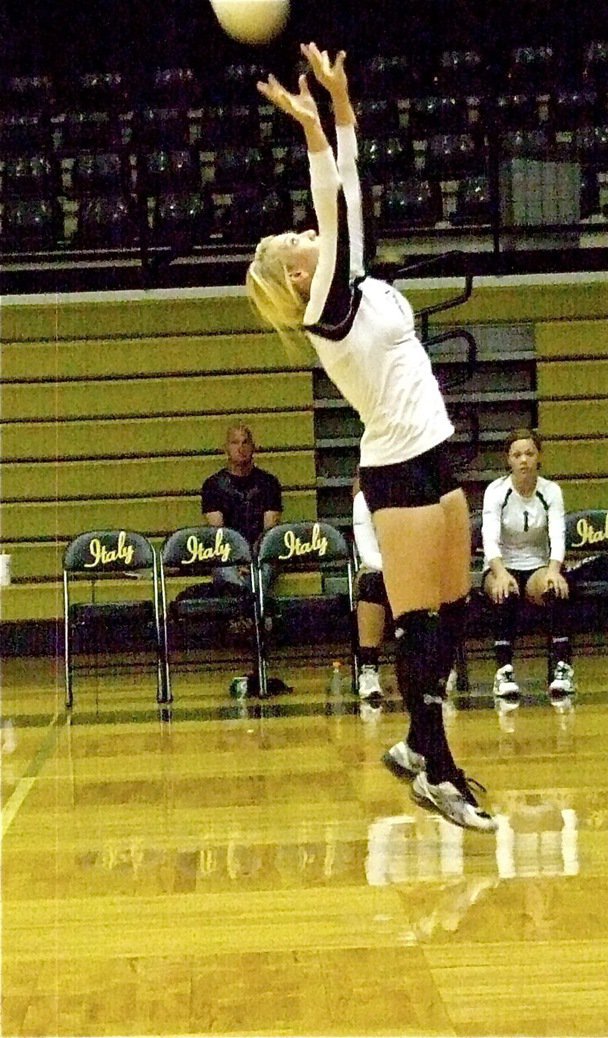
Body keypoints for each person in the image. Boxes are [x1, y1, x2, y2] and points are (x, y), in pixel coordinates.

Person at [247, 44, 494, 831]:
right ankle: (437, 768)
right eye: (297, 239)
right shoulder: (326, 305)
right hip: (396, 470)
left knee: (453, 609)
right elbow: (329, 195)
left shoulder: (355, 282)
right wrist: (308, 124)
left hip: (433, 455)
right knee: (422, 620)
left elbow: (350, 189)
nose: (307, 234)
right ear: (296, 275)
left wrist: (340, 100)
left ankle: (420, 748)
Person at [481, 428, 574, 710]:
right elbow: (489, 537)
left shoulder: (551, 491)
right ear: (508, 459)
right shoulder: (497, 492)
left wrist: (554, 570)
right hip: (502, 565)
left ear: (539, 457)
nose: (524, 460)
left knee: (555, 588)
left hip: (537, 566)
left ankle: (561, 666)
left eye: (529, 454)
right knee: (504, 592)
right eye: (517, 455)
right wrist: (499, 572)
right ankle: (504, 671)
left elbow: (558, 534)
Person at [201, 422, 283, 592]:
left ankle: (244, 613)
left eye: (245, 442)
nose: (241, 447)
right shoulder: (213, 485)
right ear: (226, 448)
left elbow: (269, 532)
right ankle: (251, 613)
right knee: (225, 570)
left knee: (264, 569)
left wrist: (252, 559)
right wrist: (238, 560)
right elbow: (220, 534)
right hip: (227, 557)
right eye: (235, 442)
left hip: (261, 555)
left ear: (253, 447)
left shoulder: (269, 483)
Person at [351, 473, 387, 700]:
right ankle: (369, 670)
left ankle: (438, 668)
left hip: (416, 564)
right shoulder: (364, 500)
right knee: (371, 584)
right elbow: (368, 553)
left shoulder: (417, 493)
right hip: (380, 567)